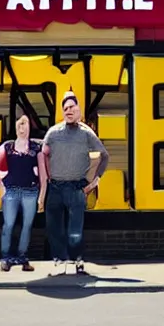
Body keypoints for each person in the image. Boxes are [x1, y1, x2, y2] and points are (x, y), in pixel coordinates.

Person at [42, 91, 110, 276]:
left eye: (72, 107)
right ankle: (60, 262)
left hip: (76, 188)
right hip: (55, 187)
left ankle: (77, 261)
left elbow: (104, 155)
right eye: (65, 108)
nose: (69, 110)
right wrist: (45, 180)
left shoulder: (86, 133)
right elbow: (43, 156)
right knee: (54, 227)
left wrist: (95, 181)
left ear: (78, 109)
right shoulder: (53, 133)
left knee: (75, 230)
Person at [0, 115, 47, 272]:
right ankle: (6, 258)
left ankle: (23, 257)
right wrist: (0, 184)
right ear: (15, 128)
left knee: (27, 226)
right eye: (19, 125)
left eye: (25, 125)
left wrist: (42, 197)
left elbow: (43, 175)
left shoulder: (36, 148)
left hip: (31, 192)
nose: (22, 129)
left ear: (30, 127)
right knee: (8, 225)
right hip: (11, 192)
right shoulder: (8, 147)